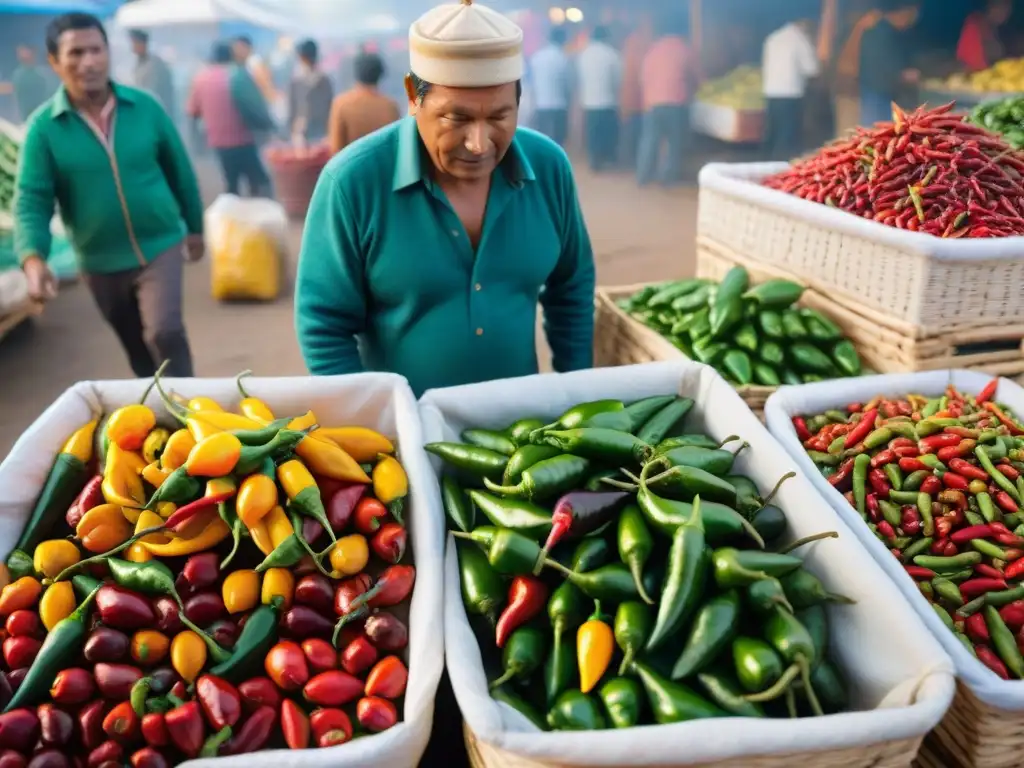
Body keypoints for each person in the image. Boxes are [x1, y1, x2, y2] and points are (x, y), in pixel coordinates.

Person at [296, 0, 596, 396]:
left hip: (523, 436)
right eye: (457, 119)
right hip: (401, 437)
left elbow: (571, 290)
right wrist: (376, 426)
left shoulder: (549, 168)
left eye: (499, 118)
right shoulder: (352, 182)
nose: (478, 143)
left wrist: (572, 393)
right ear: (412, 95)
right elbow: (323, 326)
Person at [16, 13, 203, 379]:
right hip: (99, 261)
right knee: (136, 347)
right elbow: (32, 199)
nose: (89, 61)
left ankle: (190, 408)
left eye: (97, 50)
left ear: (108, 53)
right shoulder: (44, 129)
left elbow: (180, 171)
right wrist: (33, 257)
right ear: (54, 62)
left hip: (159, 245)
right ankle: (153, 413)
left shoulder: (144, 107)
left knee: (165, 332)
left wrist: (194, 227)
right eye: (76, 53)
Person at [187, 42, 273, 197]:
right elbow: (254, 105)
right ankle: (258, 213)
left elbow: (193, 111)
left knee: (231, 183)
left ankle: (233, 215)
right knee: (259, 181)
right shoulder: (238, 75)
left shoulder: (200, 78)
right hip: (243, 139)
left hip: (218, 142)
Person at [637, 13, 699, 187]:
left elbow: (643, 77)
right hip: (674, 102)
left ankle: (642, 177)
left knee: (649, 141)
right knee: (674, 142)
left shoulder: (653, 49)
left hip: (652, 103)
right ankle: (668, 179)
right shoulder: (683, 48)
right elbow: (697, 74)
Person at [762, 18, 820, 160]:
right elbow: (812, 69)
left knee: (772, 134)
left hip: (771, 92)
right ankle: (781, 170)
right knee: (787, 137)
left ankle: (766, 164)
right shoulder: (800, 40)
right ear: (804, 23)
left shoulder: (773, 38)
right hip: (791, 94)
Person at [326, 51, 400, 155]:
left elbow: (335, 149)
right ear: (380, 74)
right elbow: (397, 146)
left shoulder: (341, 104)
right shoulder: (391, 106)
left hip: (352, 169)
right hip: (384, 169)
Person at [858, 1, 920, 126]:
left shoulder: (892, 32)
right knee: (876, 132)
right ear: (903, 13)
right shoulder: (878, 32)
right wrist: (902, 75)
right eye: (911, 15)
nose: (911, 21)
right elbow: (876, 68)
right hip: (876, 95)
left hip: (886, 93)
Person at [577, 25, 622, 171]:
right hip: (608, 101)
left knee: (593, 134)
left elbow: (580, 77)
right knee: (608, 133)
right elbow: (618, 79)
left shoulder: (584, 54)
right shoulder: (612, 54)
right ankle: (607, 160)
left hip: (589, 101)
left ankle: (594, 161)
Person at [619, 15, 653, 164]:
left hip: (640, 97)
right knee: (634, 132)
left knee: (636, 132)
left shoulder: (635, 43)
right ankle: (630, 160)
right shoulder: (637, 43)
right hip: (634, 96)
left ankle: (631, 160)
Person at [529, 27, 571, 146]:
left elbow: (532, 82)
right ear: (562, 40)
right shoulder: (562, 57)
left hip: (541, 104)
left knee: (542, 137)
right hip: (559, 104)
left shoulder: (537, 56)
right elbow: (567, 83)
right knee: (558, 139)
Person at [288, 39, 334, 145]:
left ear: (302, 57)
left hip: (305, 130)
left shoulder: (297, 79)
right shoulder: (324, 78)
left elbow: (292, 107)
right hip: (317, 131)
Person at [129, 29, 175, 118]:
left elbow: (153, 93)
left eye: (135, 43)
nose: (133, 47)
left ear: (142, 44)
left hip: (156, 112)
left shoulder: (154, 65)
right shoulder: (139, 63)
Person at [958, 0, 1013, 72]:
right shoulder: (974, 24)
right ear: (990, 6)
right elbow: (971, 63)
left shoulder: (993, 27)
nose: (1007, 13)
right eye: (1004, 7)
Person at [9, 45, 54, 121]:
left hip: (41, 113)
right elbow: (16, 97)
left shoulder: (42, 74)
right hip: (28, 115)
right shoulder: (19, 74)